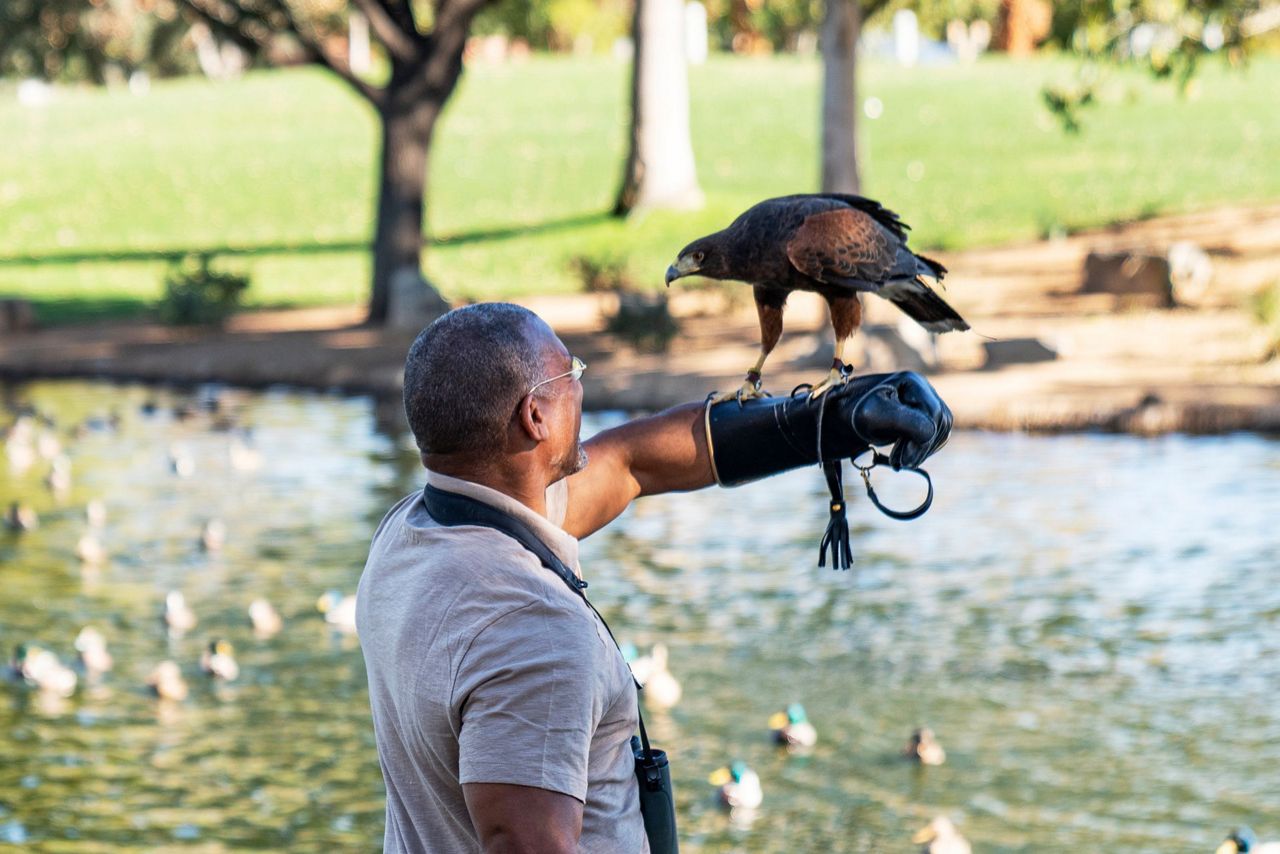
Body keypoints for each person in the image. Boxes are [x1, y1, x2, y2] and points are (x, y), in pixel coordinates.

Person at [356, 302, 952, 853]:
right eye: (572, 373)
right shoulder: (534, 632)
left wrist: (827, 419)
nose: (582, 386)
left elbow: (632, 463)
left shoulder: (412, 533)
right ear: (535, 416)